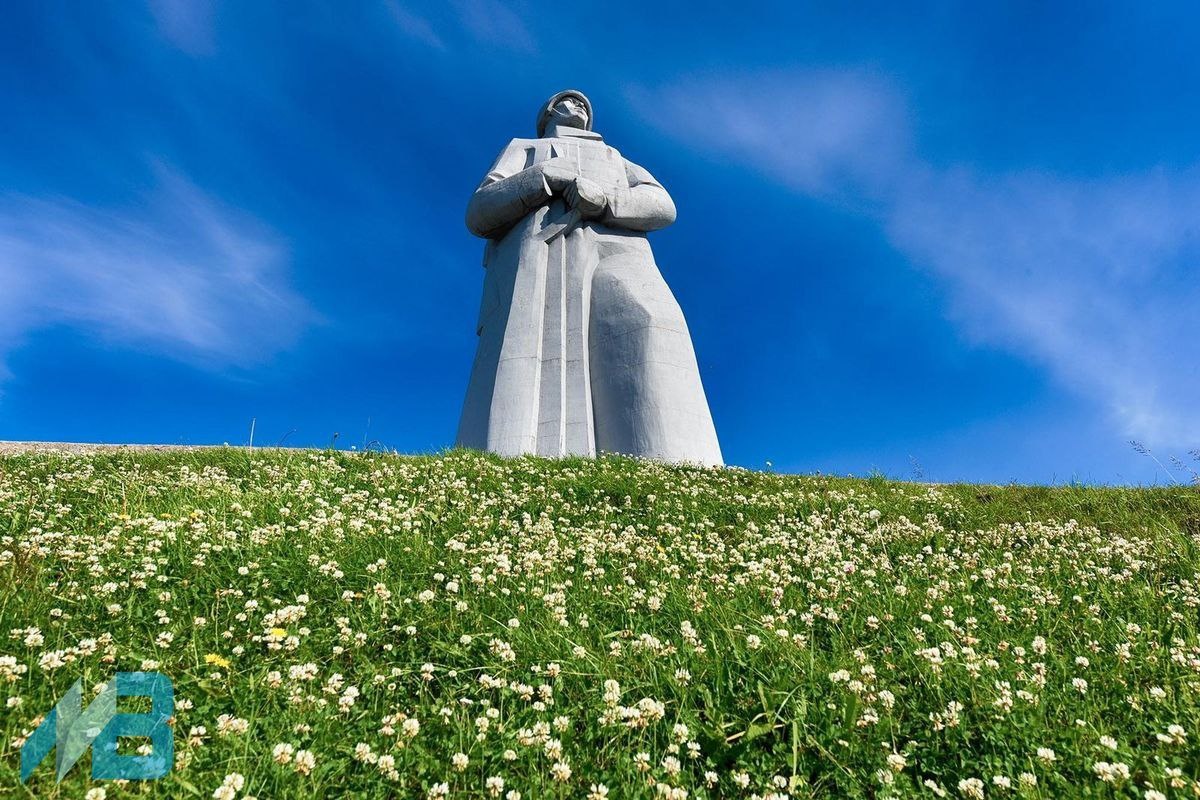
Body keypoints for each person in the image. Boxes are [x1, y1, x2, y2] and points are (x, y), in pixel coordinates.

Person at [456, 90, 722, 466]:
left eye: (584, 104)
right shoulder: (524, 148)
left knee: (650, 322)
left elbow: (663, 205)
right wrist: (543, 176)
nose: (580, 105)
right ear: (549, 112)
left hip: (618, 253)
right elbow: (479, 211)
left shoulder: (614, 157)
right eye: (568, 101)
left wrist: (606, 199)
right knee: (525, 361)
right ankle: (513, 461)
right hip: (537, 260)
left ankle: (679, 467)